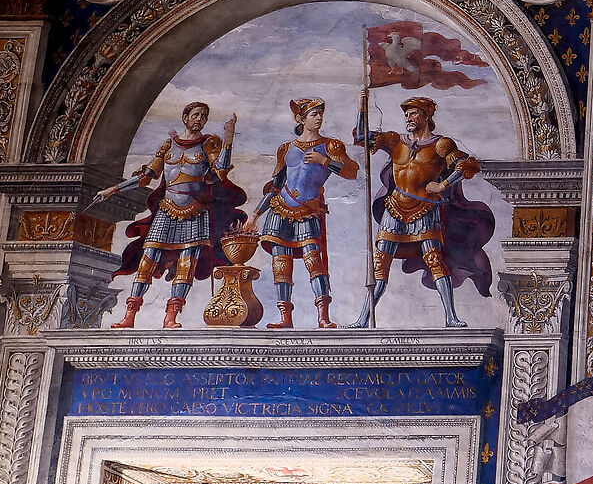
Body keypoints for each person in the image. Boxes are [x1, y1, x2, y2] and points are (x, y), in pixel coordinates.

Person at [357, 95, 494, 328]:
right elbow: (362, 139)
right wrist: (362, 108)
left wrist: (442, 185)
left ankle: (450, 317)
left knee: (435, 260)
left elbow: (467, 165)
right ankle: (363, 319)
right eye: (407, 114)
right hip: (395, 208)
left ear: (427, 116)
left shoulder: (441, 145)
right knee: (380, 262)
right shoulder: (395, 141)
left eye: (414, 113)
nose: (408, 118)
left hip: (425, 209)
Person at [111, 102, 246, 329]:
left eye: (204, 116)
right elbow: (146, 176)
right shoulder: (168, 145)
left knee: (187, 264)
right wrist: (113, 190)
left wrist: (229, 140)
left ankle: (171, 317)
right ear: (185, 117)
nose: (199, 119)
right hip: (167, 209)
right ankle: (130, 315)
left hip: (195, 211)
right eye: (195, 115)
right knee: (147, 259)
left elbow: (221, 171)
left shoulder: (209, 144)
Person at [254, 96, 358, 329]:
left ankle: (323, 317)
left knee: (314, 261)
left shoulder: (331, 145)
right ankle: (285, 318)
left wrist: (324, 161)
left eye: (321, 113)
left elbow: (352, 172)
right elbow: (276, 185)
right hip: (280, 209)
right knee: (281, 264)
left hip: (309, 211)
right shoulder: (285, 149)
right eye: (314, 114)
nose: (319, 117)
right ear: (301, 118)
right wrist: (255, 215)